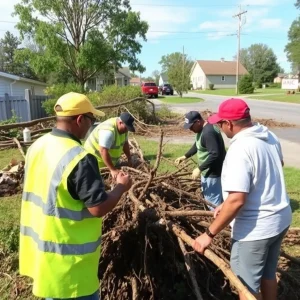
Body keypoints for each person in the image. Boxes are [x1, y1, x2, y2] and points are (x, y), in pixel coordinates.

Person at [19, 92, 132, 300]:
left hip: (43, 260)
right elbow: (98, 208)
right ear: (80, 119)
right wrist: (120, 187)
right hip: (72, 269)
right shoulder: (79, 158)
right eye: (91, 120)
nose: (92, 126)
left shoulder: (37, 146)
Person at [193, 98, 292, 300]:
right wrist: (226, 201)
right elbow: (275, 166)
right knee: (268, 273)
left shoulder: (240, 149)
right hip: (280, 219)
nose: (220, 128)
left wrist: (208, 234)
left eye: (220, 123)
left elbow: (237, 200)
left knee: (246, 286)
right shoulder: (268, 135)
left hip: (255, 230)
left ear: (229, 124)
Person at [175, 111, 226, 208]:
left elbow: (215, 154)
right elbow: (198, 144)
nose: (190, 129)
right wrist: (185, 156)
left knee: (212, 202)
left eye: (191, 126)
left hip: (212, 172)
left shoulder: (208, 133)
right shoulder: (203, 129)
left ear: (198, 122)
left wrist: (199, 168)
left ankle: (215, 220)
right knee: (217, 198)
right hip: (210, 170)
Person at [84, 112, 135, 178]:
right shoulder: (108, 131)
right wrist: (112, 169)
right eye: (126, 128)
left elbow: (125, 144)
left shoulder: (124, 130)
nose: (126, 130)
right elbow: (103, 151)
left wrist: (129, 158)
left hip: (107, 164)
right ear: (120, 122)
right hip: (94, 165)